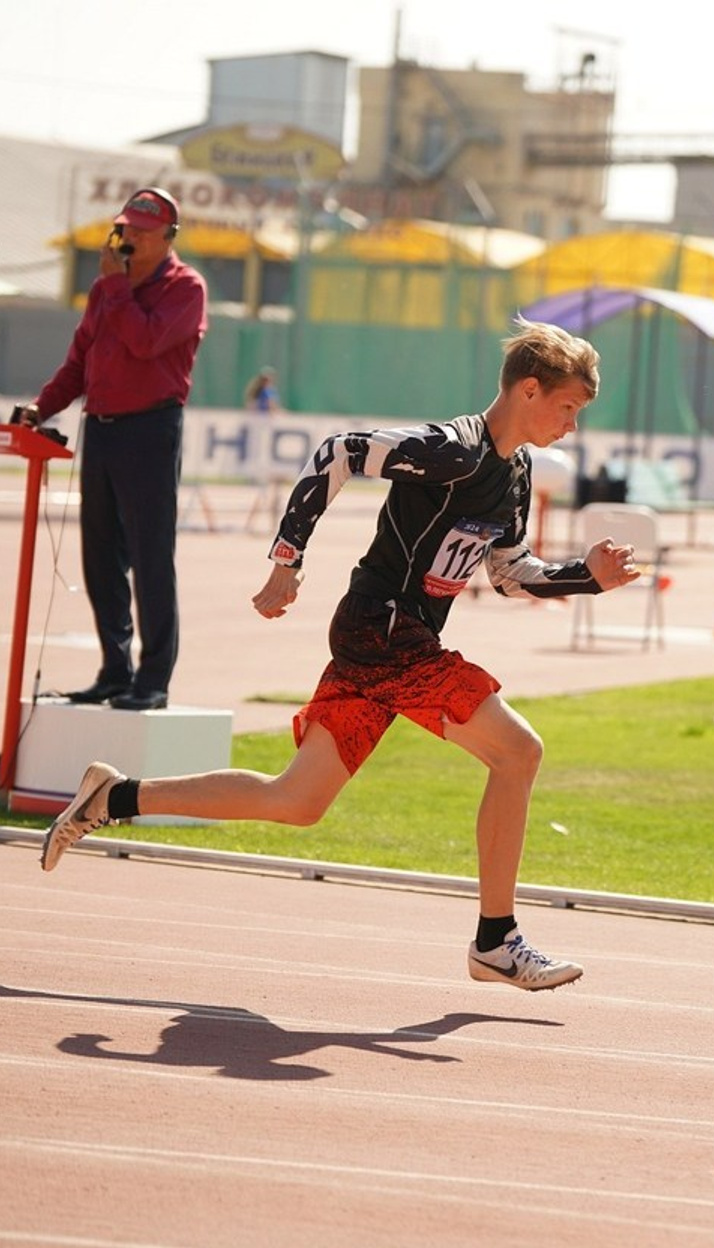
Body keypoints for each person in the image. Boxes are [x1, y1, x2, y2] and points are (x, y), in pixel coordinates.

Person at [39, 319, 640, 992]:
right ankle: (495, 939)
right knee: (519, 752)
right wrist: (286, 561)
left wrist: (588, 576)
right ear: (530, 390)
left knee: (295, 801)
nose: (572, 426)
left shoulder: (514, 473)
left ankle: (113, 795)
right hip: (384, 634)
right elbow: (340, 452)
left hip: (389, 643)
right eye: (567, 408)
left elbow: (507, 573)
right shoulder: (451, 450)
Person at [17, 188, 208, 712]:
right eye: (126, 228)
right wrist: (42, 408)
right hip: (99, 431)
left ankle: (153, 679)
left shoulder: (185, 288)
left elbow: (146, 342)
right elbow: (79, 361)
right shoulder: (108, 290)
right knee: (99, 556)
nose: (129, 237)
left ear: (169, 237)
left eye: (143, 230)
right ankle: (114, 670)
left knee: (150, 558)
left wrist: (116, 288)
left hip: (150, 430)